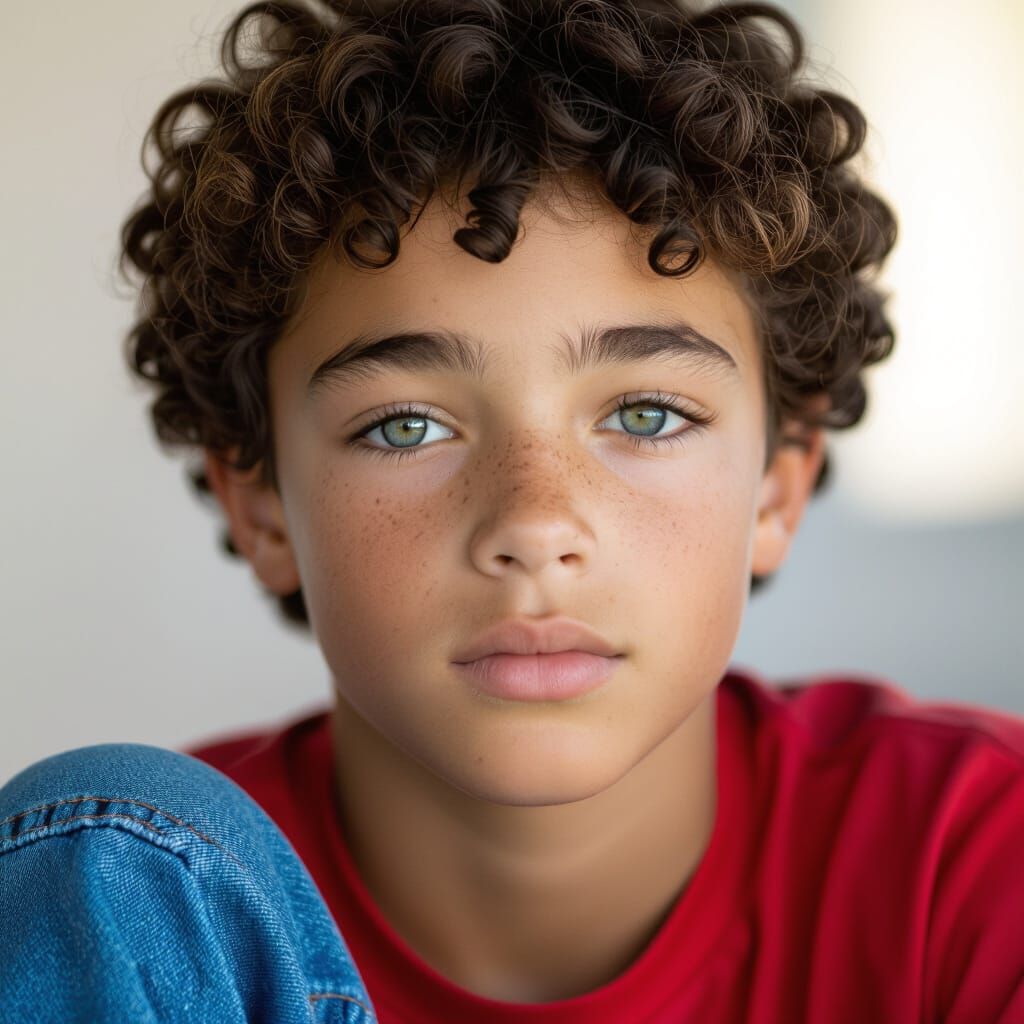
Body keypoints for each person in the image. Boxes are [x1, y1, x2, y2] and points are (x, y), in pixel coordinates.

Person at [2, 0, 1022, 1020]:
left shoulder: (973, 859)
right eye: (405, 426)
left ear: (779, 480)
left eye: (648, 412)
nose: (535, 523)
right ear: (260, 499)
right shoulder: (146, 919)